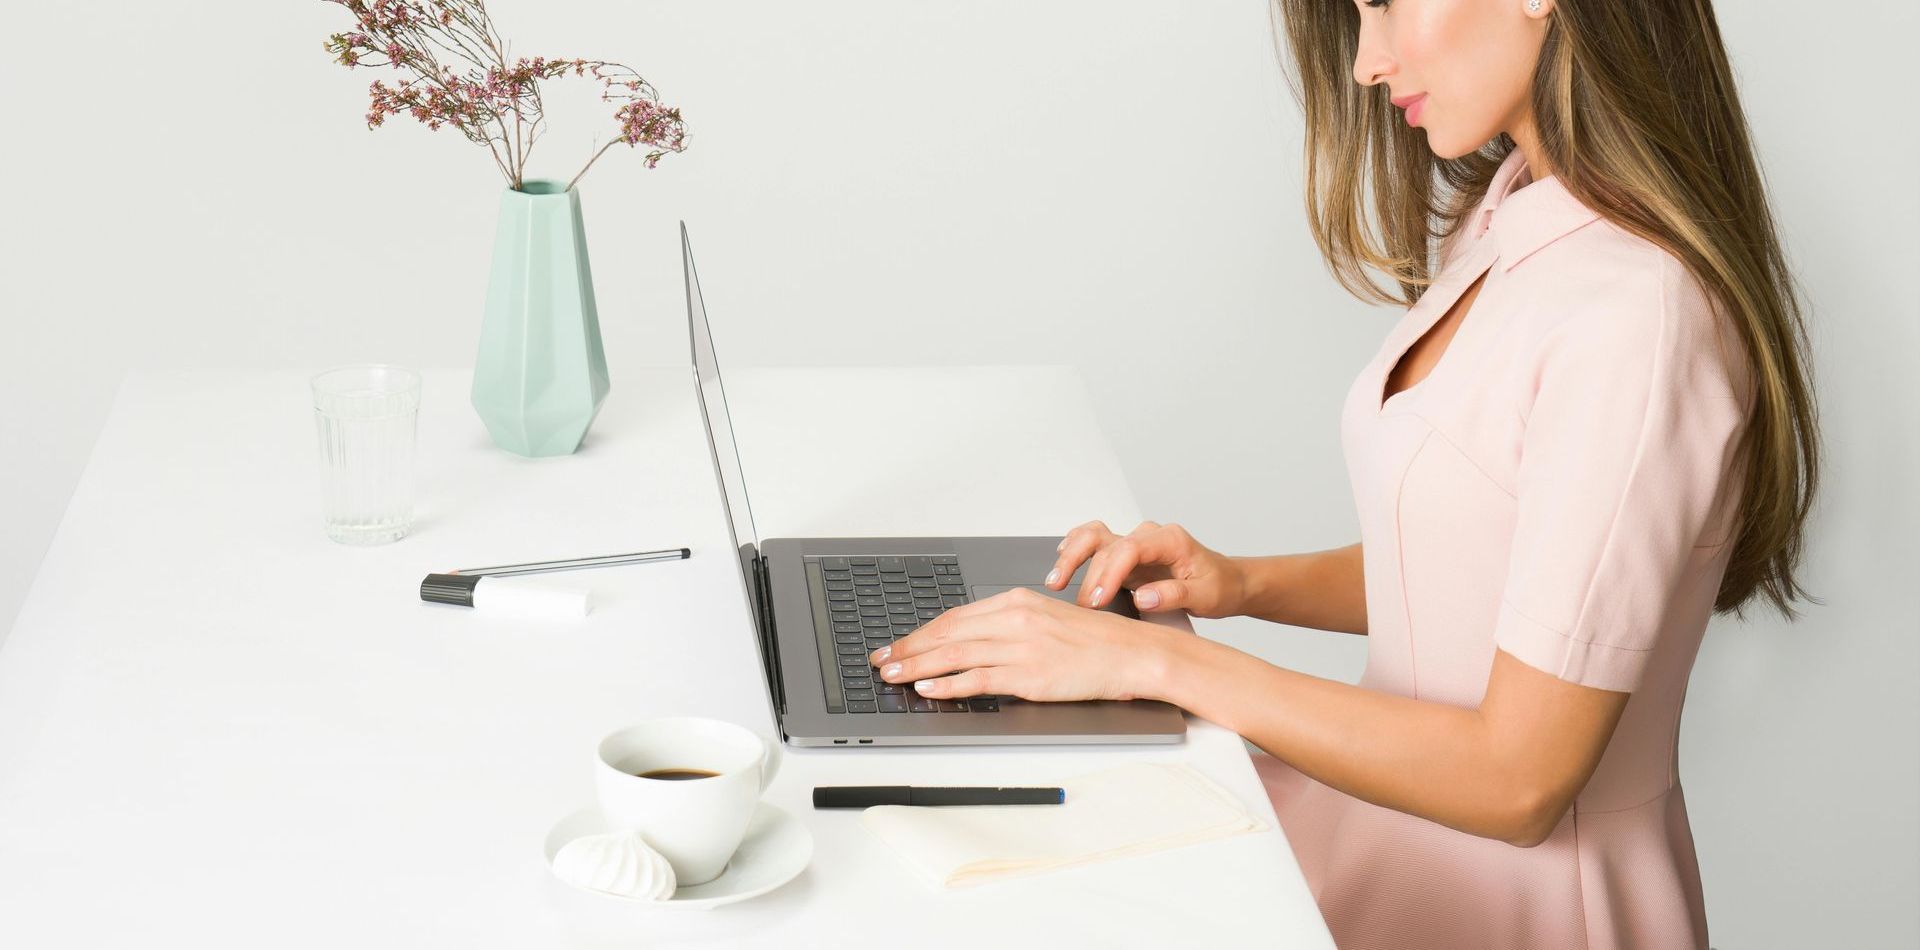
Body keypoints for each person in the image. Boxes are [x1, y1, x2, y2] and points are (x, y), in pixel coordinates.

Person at [865, 0, 1819, 946]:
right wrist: (1240, 584)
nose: (1366, 60)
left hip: (1524, 904)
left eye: (1385, 2)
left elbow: (1518, 781)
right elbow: (1485, 560)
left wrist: (1157, 660)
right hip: (1388, 837)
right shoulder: (1507, 221)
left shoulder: (1635, 318)